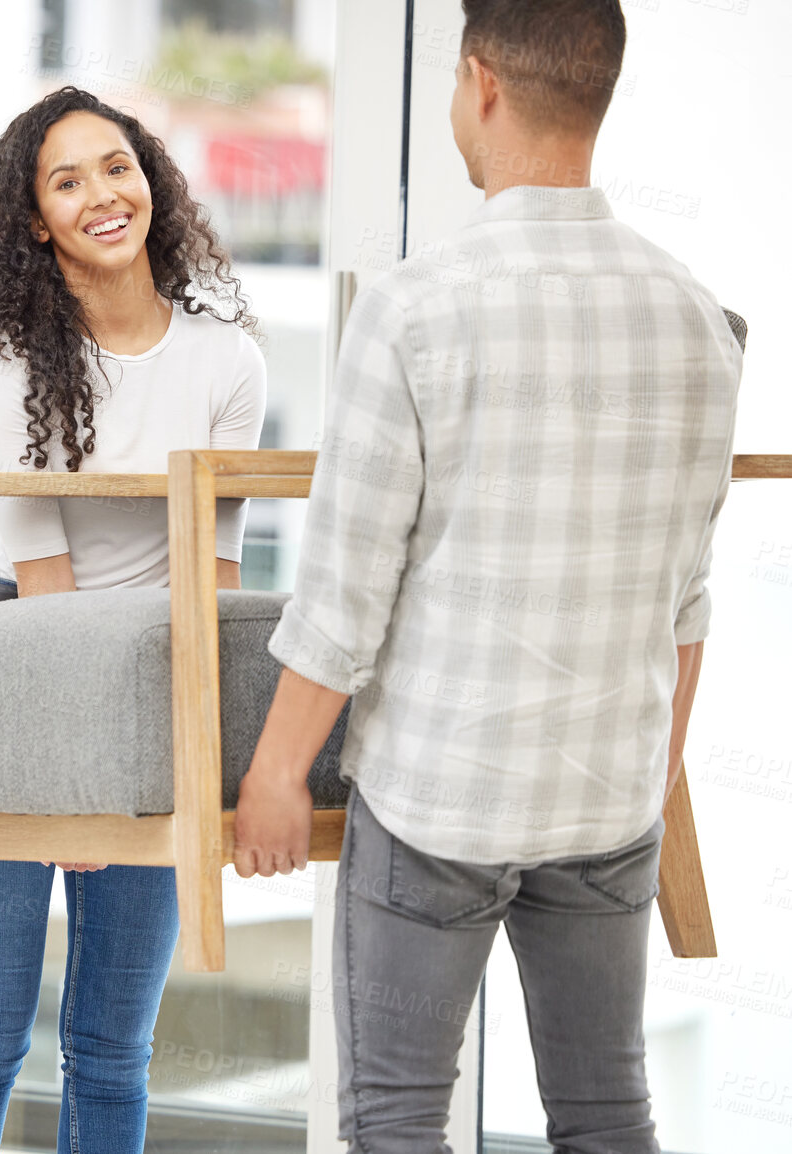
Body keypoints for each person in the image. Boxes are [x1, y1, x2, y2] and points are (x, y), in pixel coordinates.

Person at [231, 2, 742, 1151]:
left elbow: (345, 592)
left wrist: (275, 770)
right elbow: (687, 596)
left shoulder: (415, 307)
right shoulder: (700, 320)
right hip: (608, 801)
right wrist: (650, 786)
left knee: (398, 1119)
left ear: (480, 81)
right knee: (609, 1113)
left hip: (436, 802)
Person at [0, 86, 266, 1154]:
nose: (103, 194)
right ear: (33, 220)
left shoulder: (227, 358)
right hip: (23, 686)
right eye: (67, 181)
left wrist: (145, 760)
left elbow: (213, 583)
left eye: (117, 166)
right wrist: (80, 778)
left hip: (161, 687)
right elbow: (45, 576)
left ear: (148, 178)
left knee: (113, 1045)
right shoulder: (8, 360)